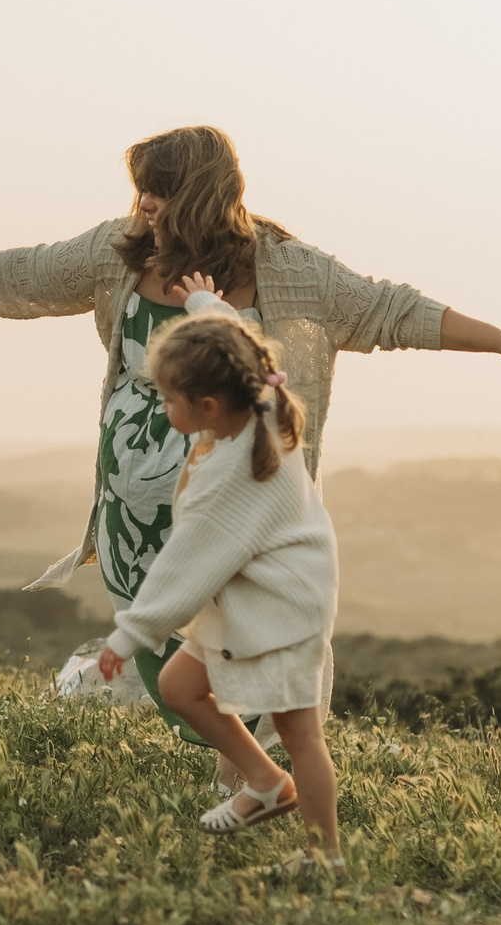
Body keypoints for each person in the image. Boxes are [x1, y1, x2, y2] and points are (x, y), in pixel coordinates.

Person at [0, 124, 501, 765]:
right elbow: (32, 272)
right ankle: (228, 749)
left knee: (248, 620)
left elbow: (391, 308)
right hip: (129, 493)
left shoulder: (290, 271)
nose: (144, 203)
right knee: (153, 618)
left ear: (199, 193)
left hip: (233, 492)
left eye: (158, 189)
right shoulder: (117, 252)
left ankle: (263, 753)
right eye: (140, 188)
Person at [90, 297, 343, 860]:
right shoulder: (260, 400)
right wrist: (203, 303)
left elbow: (182, 570)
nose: (162, 406)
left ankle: (324, 857)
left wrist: (128, 636)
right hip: (259, 598)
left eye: (167, 399)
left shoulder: (229, 477)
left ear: (206, 405)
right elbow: (238, 337)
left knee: (302, 737)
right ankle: (267, 781)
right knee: (180, 687)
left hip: (283, 610)